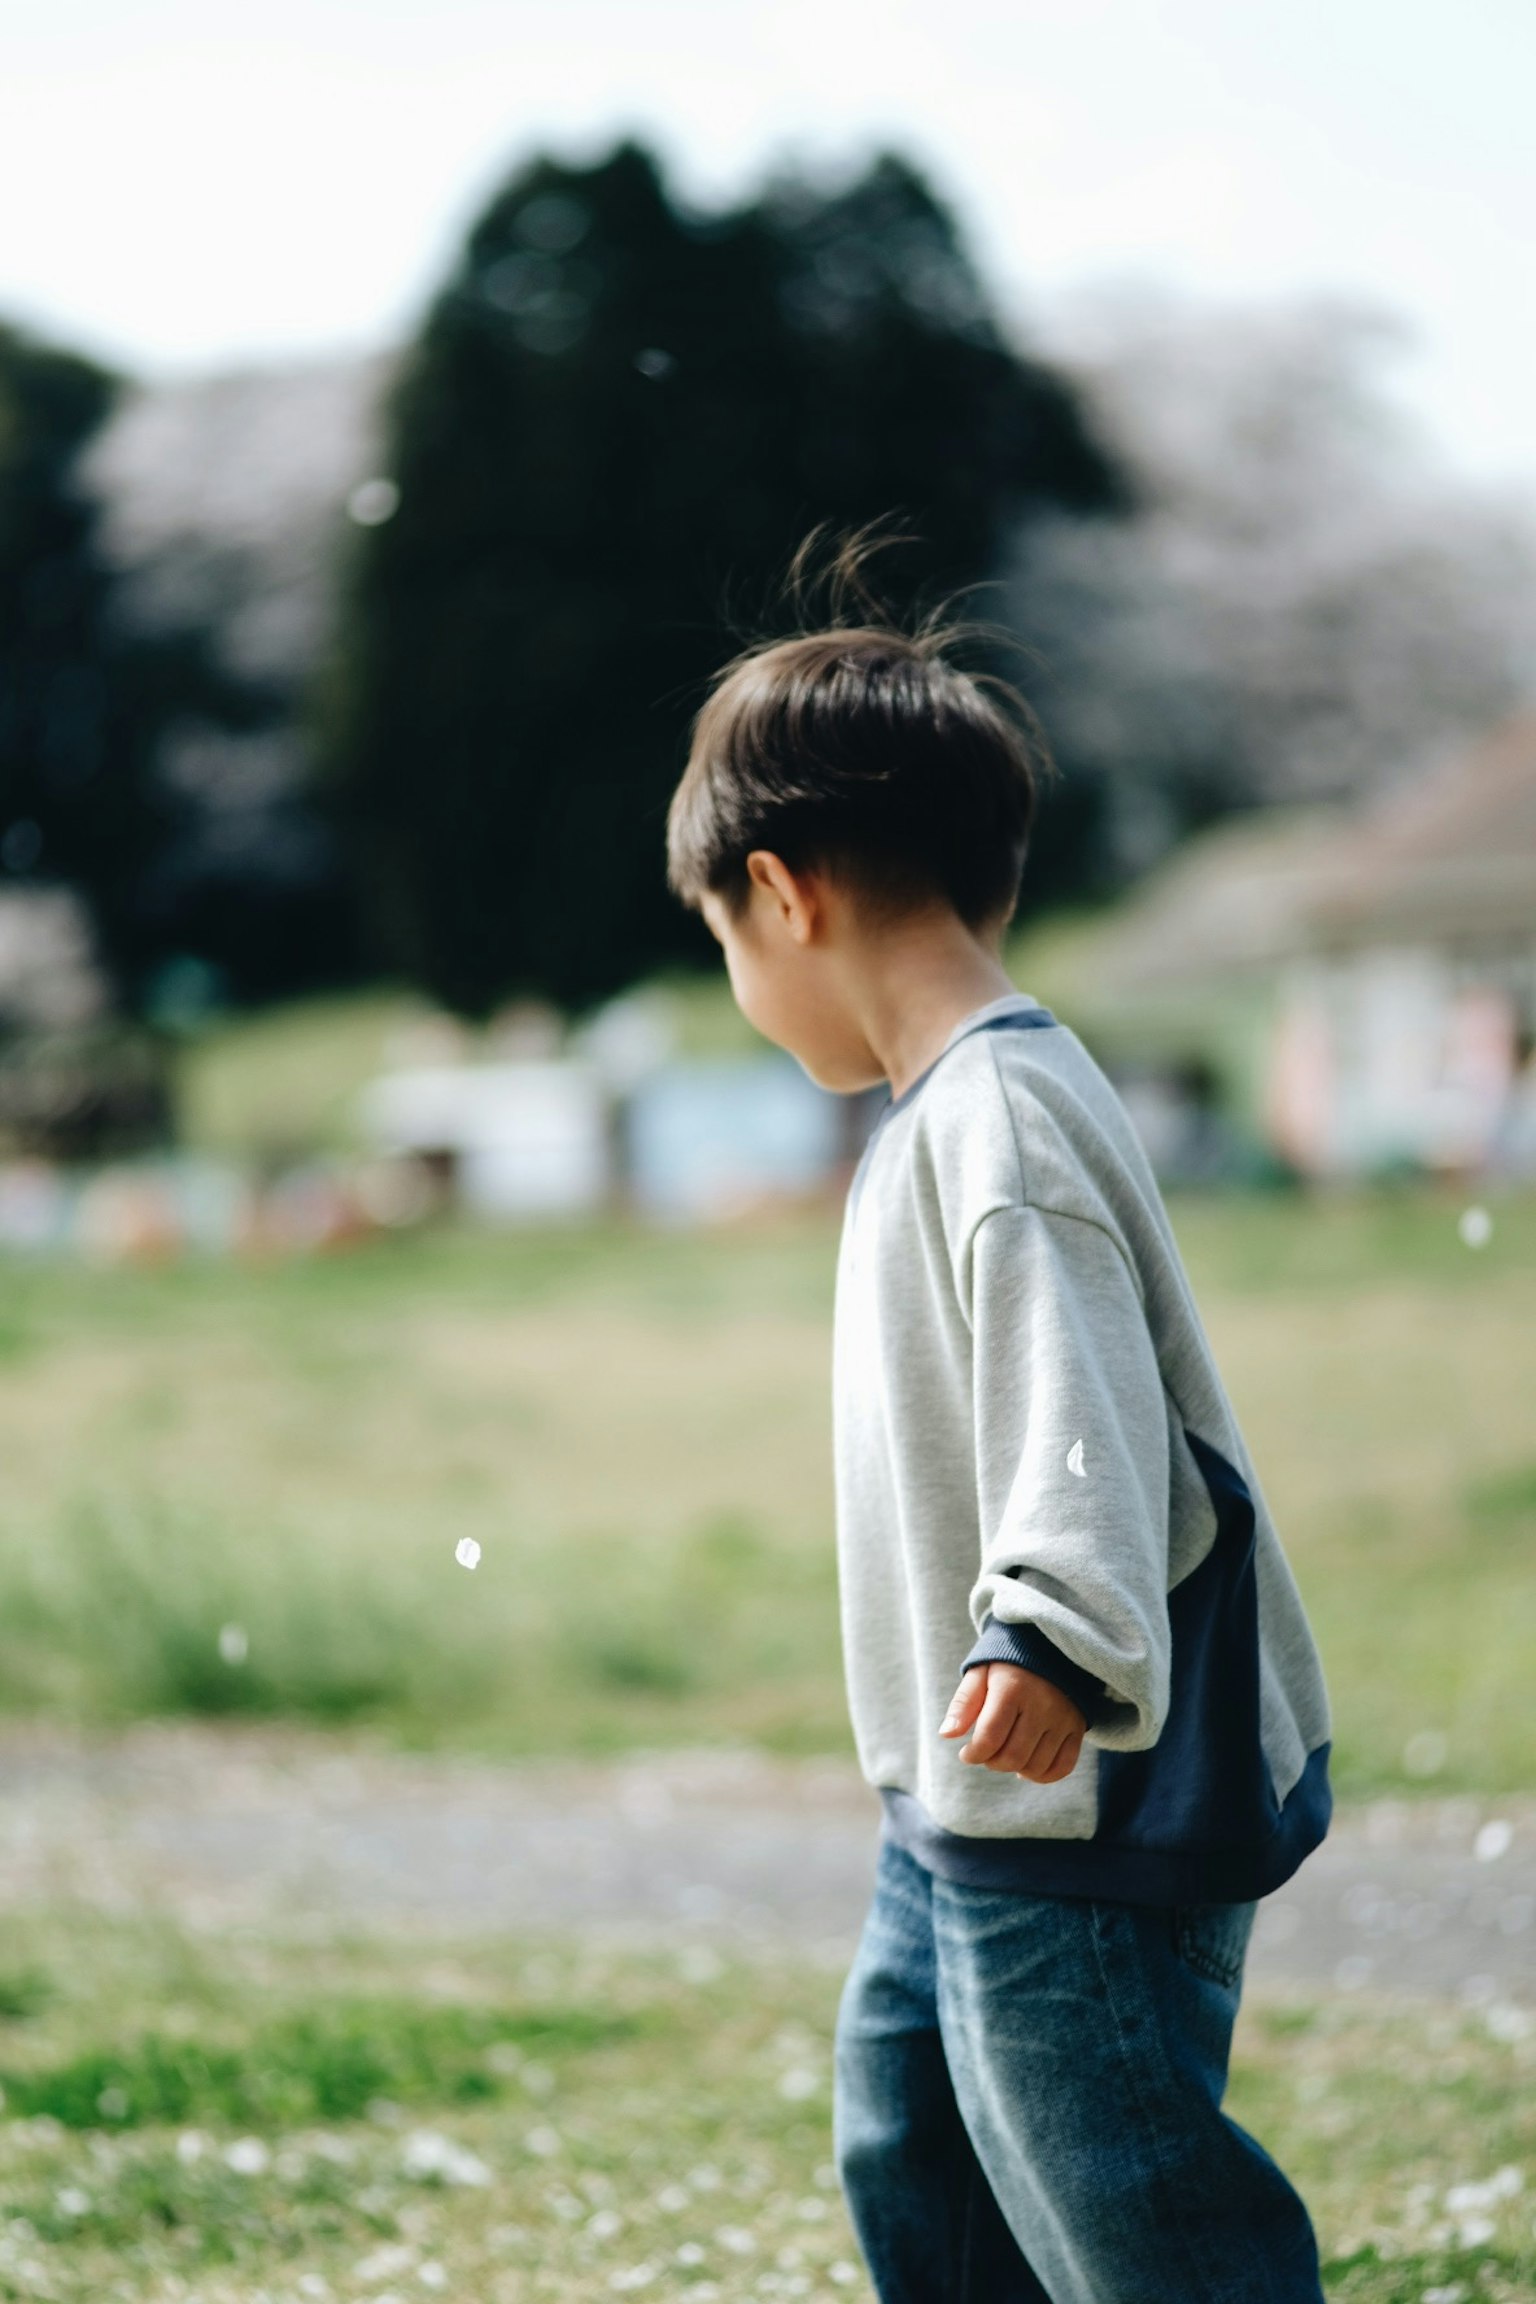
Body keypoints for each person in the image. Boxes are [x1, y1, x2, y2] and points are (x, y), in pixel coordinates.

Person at [665, 572, 1333, 2304]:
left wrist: (1049, 1628)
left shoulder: (1003, 1122)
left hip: (1077, 1787)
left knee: (1131, 2207)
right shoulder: (947, 1111)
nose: (740, 980)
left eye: (724, 947)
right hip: (961, 1798)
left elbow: (1079, 1405)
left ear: (779, 894)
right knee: (920, 2153)